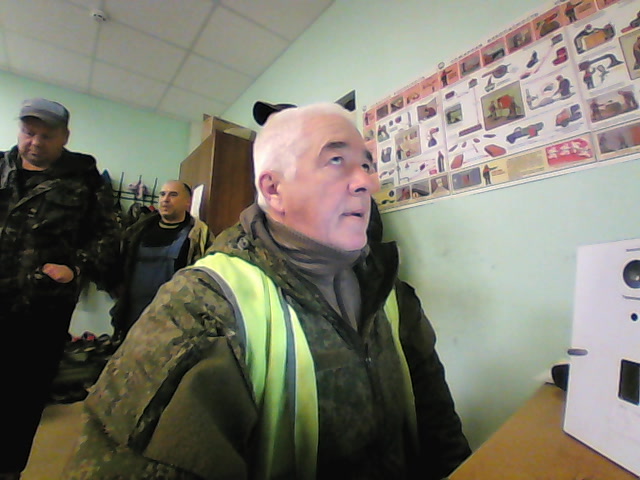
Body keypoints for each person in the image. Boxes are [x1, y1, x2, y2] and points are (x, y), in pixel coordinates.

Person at [64, 102, 471, 479]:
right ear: (273, 189)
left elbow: (437, 420)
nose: (367, 181)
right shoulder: (200, 306)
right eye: (336, 161)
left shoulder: (387, 290)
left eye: (366, 165)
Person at [0, 98, 120, 479]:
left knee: (22, 399)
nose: (35, 142)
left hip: (41, 310)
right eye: (28, 132)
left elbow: (109, 236)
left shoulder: (84, 177)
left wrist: (76, 267)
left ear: (65, 137)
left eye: (46, 135)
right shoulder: (1, 167)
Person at [110, 180, 213, 340]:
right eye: (162, 194)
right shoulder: (136, 232)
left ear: (188, 202)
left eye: (173, 195)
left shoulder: (198, 236)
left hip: (173, 322)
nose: (165, 199)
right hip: (133, 317)